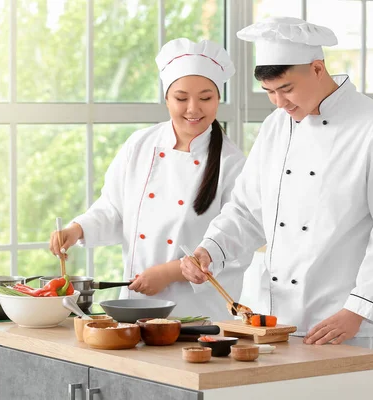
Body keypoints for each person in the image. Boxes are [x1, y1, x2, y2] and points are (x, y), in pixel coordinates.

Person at [180, 17, 373, 349]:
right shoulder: (275, 126)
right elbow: (248, 212)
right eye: (269, 93)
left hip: (337, 323)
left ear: (318, 69)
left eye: (287, 89)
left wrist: (359, 310)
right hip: (267, 321)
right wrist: (210, 249)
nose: (279, 103)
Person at [50, 38, 251, 321]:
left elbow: (235, 243)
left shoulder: (232, 163)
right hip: (135, 307)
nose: (193, 109)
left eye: (206, 98)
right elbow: (114, 209)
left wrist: (170, 273)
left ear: (218, 99)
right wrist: (77, 229)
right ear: (166, 98)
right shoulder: (140, 145)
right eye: (181, 98)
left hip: (195, 317)